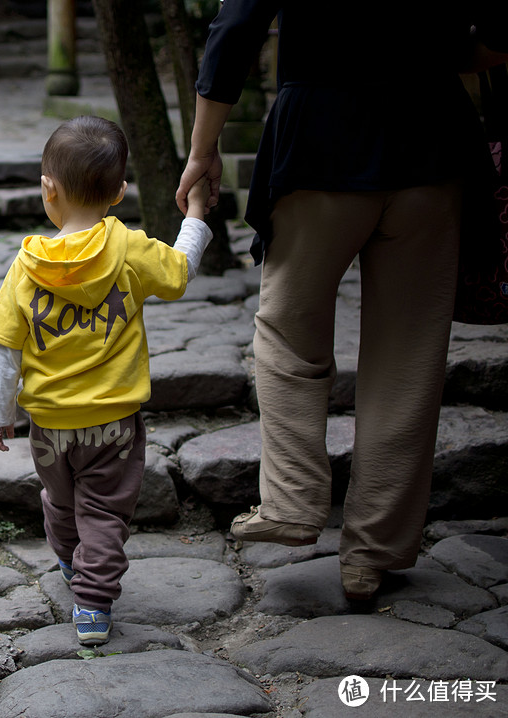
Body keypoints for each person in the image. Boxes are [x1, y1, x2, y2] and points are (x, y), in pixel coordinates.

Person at [176, 1, 508, 600]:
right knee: (410, 357)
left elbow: (236, 26)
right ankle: (372, 554)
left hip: (321, 141)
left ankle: (295, 501)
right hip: (432, 143)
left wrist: (202, 149)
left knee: (287, 330)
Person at [0, 115, 213, 645]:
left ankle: (68, 558)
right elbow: (179, 271)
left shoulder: (27, 265)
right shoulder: (128, 248)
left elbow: (5, 347)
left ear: (48, 189)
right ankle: (92, 605)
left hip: (50, 427)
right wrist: (196, 213)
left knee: (60, 502)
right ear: (118, 192)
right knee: (104, 513)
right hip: (113, 424)